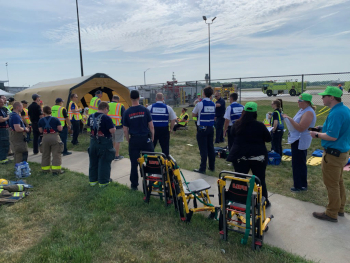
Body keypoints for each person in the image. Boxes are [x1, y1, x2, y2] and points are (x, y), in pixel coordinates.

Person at [310, 86, 350, 223]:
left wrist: (316, 134)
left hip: (333, 155)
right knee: (338, 182)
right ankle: (339, 209)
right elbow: (336, 130)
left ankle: (331, 213)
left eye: (324, 96)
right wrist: (322, 129)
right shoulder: (343, 110)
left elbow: (332, 136)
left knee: (332, 184)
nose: (322, 98)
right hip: (341, 153)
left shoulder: (336, 113)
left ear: (331, 97)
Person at [226, 102, 272, 207]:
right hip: (258, 157)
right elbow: (268, 139)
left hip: (240, 157)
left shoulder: (237, 124)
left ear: (244, 112)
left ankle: (240, 199)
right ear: (255, 113)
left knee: (240, 179)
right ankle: (263, 201)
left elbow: (232, 136)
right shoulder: (260, 125)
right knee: (260, 180)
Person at [282, 93, 316, 192]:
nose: (298, 102)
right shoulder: (303, 110)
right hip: (296, 139)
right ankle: (300, 183)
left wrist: (289, 119)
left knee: (299, 163)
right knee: (297, 163)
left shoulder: (308, 112)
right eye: (298, 100)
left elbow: (301, 128)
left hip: (300, 140)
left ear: (306, 102)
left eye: (300, 101)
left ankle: (300, 185)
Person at [123, 90, 154, 190]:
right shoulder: (145, 110)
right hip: (145, 139)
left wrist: (128, 140)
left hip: (134, 140)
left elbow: (125, 129)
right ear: (139, 98)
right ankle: (152, 182)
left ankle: (134, 185)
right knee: (151, 161)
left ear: (130, 98)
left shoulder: (127, 112)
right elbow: (151, 126)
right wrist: (152, 137)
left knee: (134, 163)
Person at [87, 102, 116, 187]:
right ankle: (103, 182)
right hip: (104, 142)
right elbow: (112, 130)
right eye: (108, 110)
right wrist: (114, 127)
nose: (108, 111)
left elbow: (90, 126)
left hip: (93, 141)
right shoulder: (106, 118)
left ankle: (93, 181)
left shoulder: (91, 116)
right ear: (106, 108)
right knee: (104, 162)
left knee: (93, 161)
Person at [192, 86, 216, 174]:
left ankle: (202, 168)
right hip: (210, 127)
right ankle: (212, 166)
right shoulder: (213, 104)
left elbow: (193, 114)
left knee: (203, 149)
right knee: (210, 147)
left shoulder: (200, 104)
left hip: (202, 128)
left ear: (204, 93)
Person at [38, 106, 64, 175]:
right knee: (56, 154)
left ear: (43, 112)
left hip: (45, 137)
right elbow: (60, 129)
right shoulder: (56, 119)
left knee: (45, 154)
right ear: (50, 111)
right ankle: (56, 171)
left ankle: (45, 170)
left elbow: (40, 130)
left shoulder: (41, 120)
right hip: (54, 137)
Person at [108, 95, 125, 160]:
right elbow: (124, 116)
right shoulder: (120, 105)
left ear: (112, 99)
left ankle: (111, 154)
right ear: (118, 100)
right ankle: (116, 156)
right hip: (118, 126)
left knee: (112, 140)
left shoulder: (107, 104)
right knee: (117, 141)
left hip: (109, 126)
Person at [0, 96, 10, 164]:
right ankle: (2, 159)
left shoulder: (3, 109)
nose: (2, 103)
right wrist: (7, 117)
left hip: (5, 128)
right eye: (1, 102)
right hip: (2, 129)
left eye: (3, 102)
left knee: (6, 143)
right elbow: (1, 120)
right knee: (3, 144)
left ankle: (4, 157)